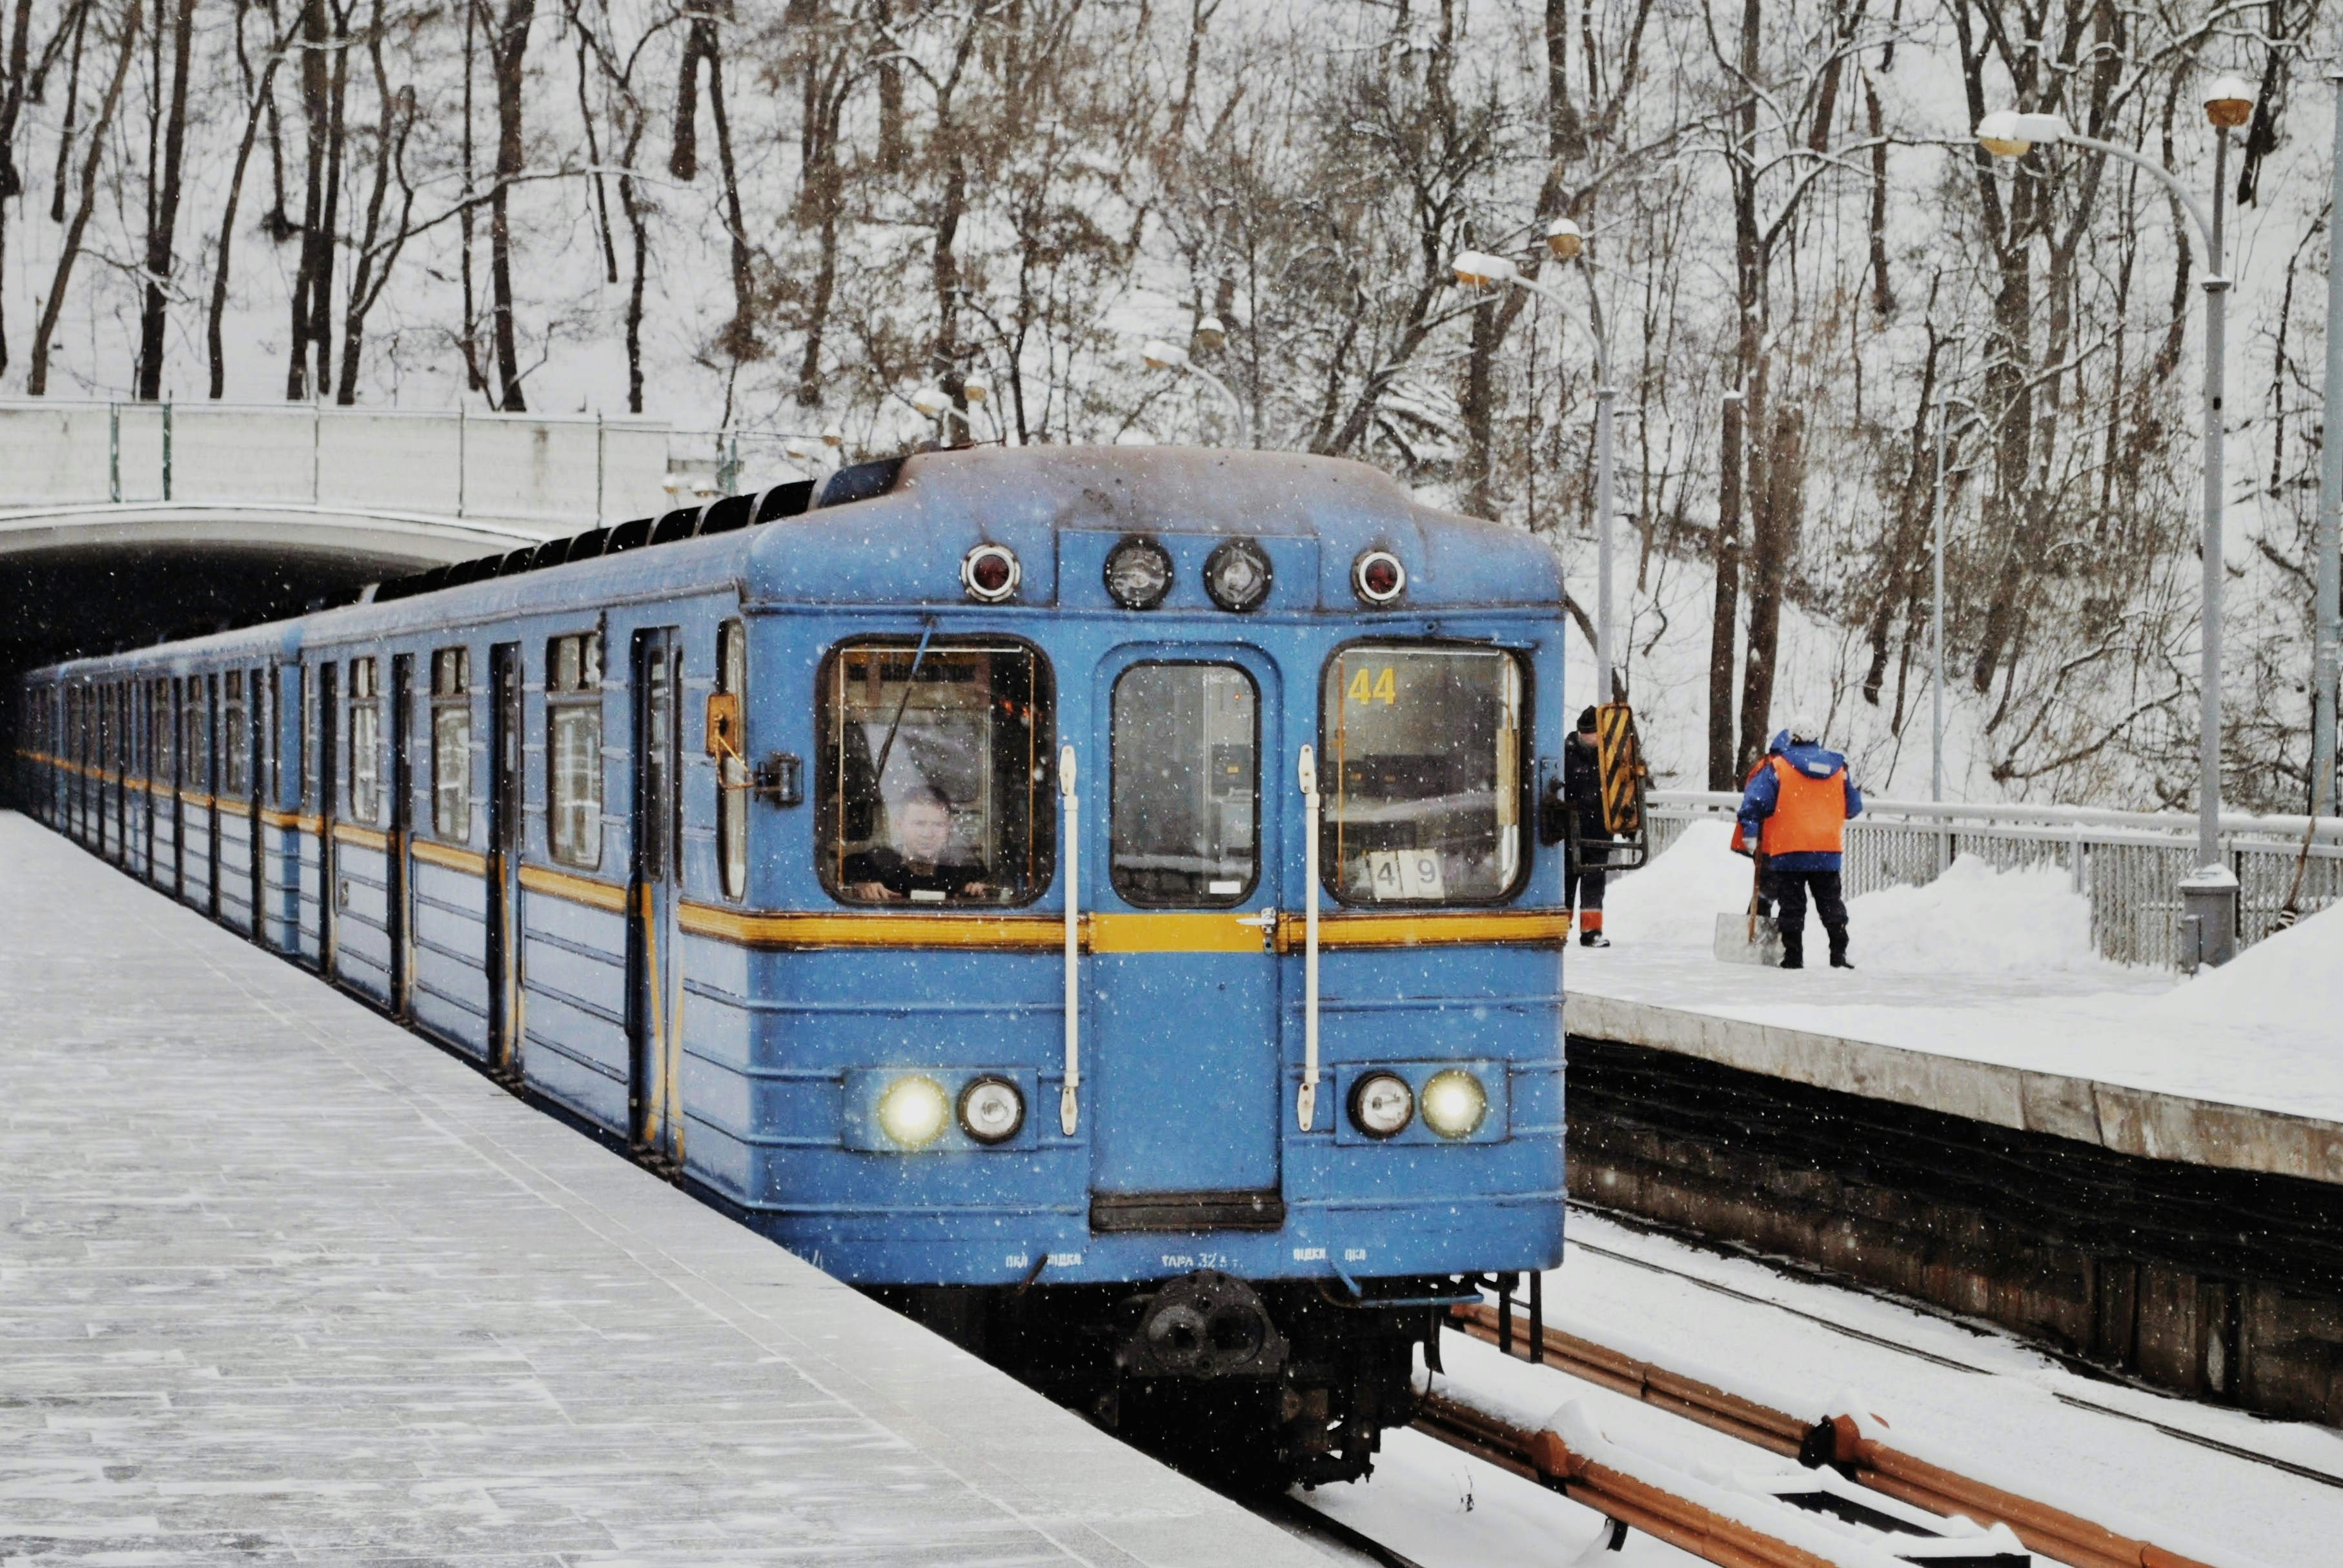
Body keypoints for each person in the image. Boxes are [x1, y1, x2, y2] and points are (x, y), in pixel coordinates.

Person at [1734, 714, 1863, 970]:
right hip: (1826, 850)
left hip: (1790, 849)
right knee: (1831, 904)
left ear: (1792, 738)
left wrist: (1750, 833)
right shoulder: (1839, 768)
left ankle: (1793, 957)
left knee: (1792, 906)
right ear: (1816, 738)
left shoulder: (1779, 766)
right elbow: (1854, 808)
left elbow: (1757, 802)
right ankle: (1839, 955)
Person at [844, 785, 990, 901]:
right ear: (899, 825)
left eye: (938, 825)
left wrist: (978, 890)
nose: (928, 834)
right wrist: (860, 888)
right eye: (919, 824)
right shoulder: (872, 865)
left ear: (949, 828)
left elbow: (992, 890)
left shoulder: (966, 869)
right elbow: (843, 884)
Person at [1561, 706, 1613, 947]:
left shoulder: (1610, 755)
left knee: (1595, 882)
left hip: (1599, 829)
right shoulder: (1566, 755)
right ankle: (1561, 926)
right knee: (1566, 881)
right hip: (1570, 831)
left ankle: (1591, 931)